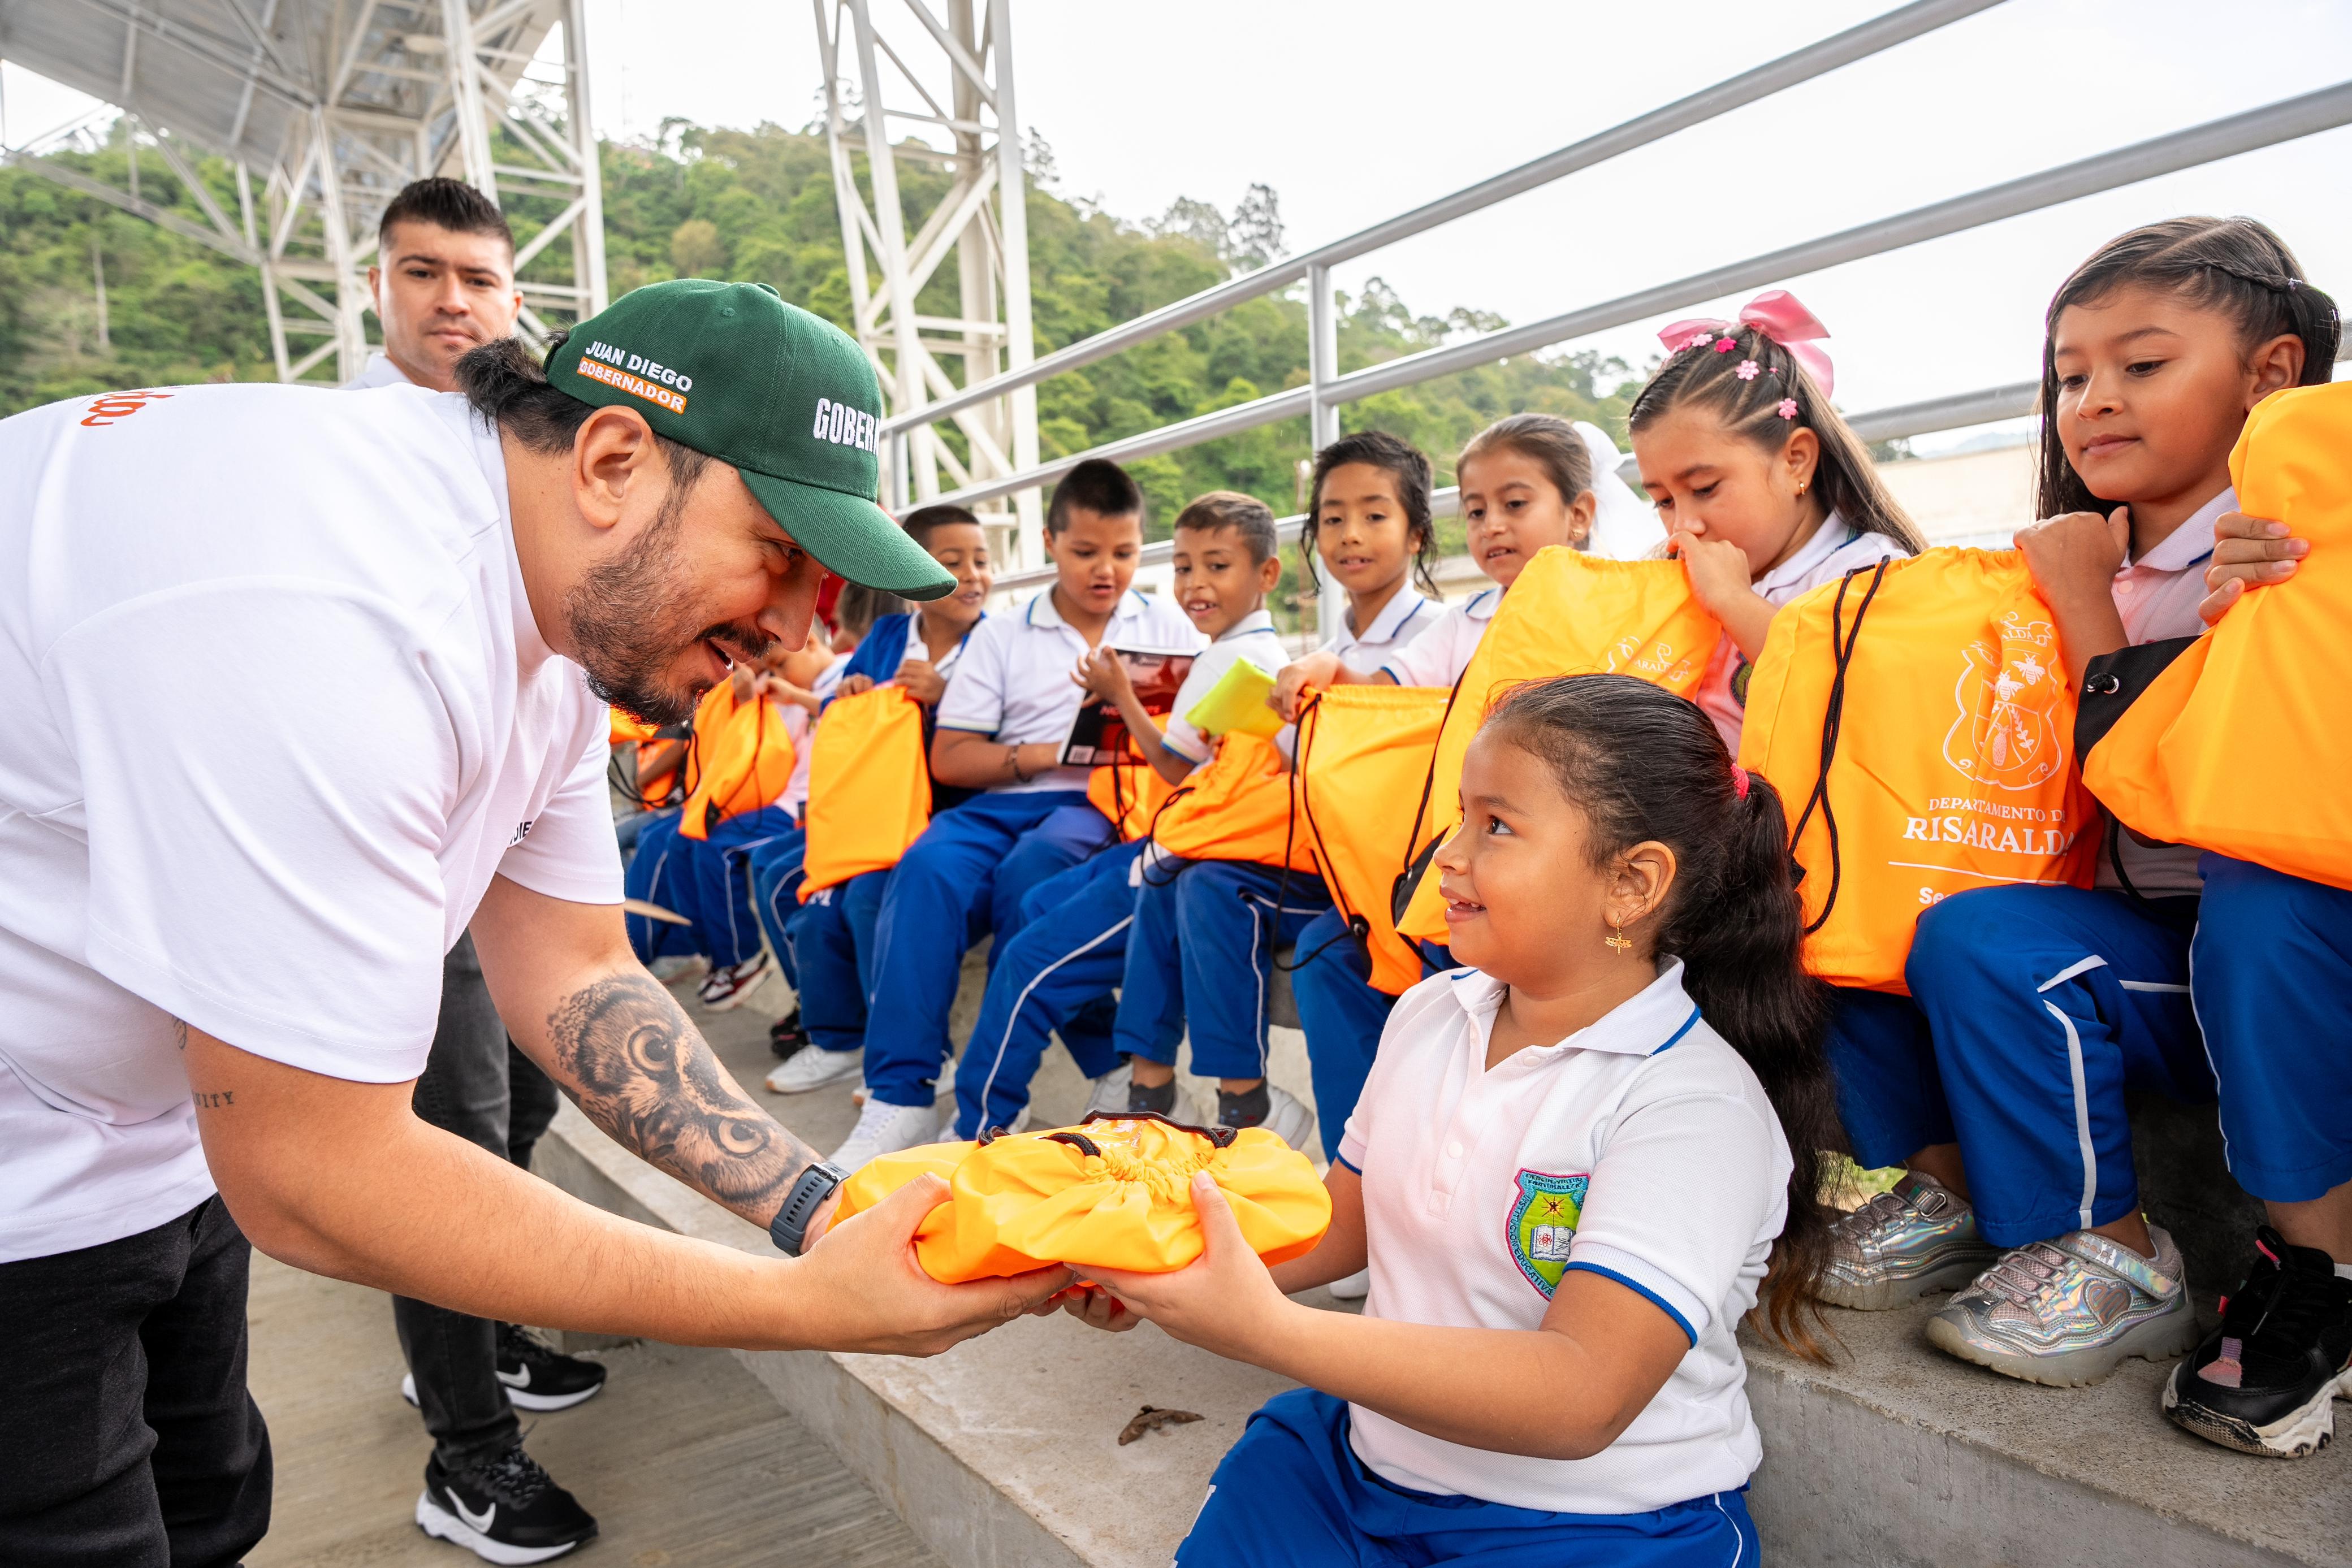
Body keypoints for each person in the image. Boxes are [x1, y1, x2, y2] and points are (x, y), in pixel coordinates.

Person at [0, 278, 1074, 1568]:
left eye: (830, 587)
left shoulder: (554, 600)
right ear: (614, 457)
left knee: (210, 1504)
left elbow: (576, 971)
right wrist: (803, 1304)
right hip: (21, 1169)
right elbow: (311, 1176)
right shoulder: (328, 609)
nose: (797, 630)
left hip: (143, 1126)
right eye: (778, 553)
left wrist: (823, 1210)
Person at [1065, 674, 1838, 1566]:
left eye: (1496, 825)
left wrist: (1269, 1331)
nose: (1448, 855)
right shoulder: (1432, 1012)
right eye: (1460, 816)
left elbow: (1580, 1394)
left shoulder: (1692, 1103)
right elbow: (1339, 1224)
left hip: (1596, 1526)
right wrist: (1159, 1267)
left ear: (1632, 882)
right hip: (1362, 1475)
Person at [1821, 219, 2352, 1435]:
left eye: (2142, 364)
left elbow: (2170, 777)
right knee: (1918, 914)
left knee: (2265, 902)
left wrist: (2088, 605)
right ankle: (2077, 1242)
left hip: (2293, 951)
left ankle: (2320, 1270)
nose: (2093, 400)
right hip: (2154, 950)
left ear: (2269, 374)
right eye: (2070, 376)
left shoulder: (2298, 551)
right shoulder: (2056, 569)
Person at [350, 175, 614, 1557]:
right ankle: (466, 1453)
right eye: (421, 272)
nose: (450, 299)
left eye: (476, 277)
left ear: (516, 299)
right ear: (378, 288)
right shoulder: (341, 450)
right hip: (401, 834)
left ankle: (480, 1323)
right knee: (445, 1137)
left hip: (510, 817)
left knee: (523, 1093)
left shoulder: (531, 438)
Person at [1269, 415, 1614, 1226]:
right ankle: (1364, 1188)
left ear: (1578, 514)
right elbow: (1379, 692)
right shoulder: (1466, 622)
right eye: (1478, 510)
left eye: (1514, 504)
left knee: (1457, 973)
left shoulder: (1611, 607)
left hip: (1561, 868)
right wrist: (1323, 664)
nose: (1492, 526)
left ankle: (1463, 1194)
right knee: (1325, 949)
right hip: (1455, 859)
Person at [829, 460, 1200, 1168]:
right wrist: (1041, 754)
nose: (1106, 571)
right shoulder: (1004, 632)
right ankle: (899, 1095)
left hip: (1102, 800)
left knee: (1033, 875)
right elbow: (951, 757)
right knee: (926, 868)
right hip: (1003, 796)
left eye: (1124, 553)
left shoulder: (1167, 625)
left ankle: (1002, 1089)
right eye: (1084, 551)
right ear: (1049, 542)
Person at [949, 491, 1294, 1144]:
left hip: (1191, 859)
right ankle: (1123, 1076)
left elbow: (1172, 763)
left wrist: (1120, 696)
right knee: (1036, 902)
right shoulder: (1248, 654)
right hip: (1178, 841)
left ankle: (981, 1126)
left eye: (1217, 566)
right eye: (1183, 567)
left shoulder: (1238, 660)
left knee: (1026, 960)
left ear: (1266, 574)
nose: (1195, 584)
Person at [769, 506, 993, 1089]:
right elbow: (842, 720)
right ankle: (839, 1038)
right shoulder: (890, 637)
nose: (971, 575)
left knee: (870, 897)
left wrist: (946, 699)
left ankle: (921, 1050)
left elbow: (1007, 734)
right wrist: (848, 693)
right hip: (876, 813)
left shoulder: (994, 642)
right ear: (914, 573)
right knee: (817, 900)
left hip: (947, 816)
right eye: (952, 562)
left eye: (981, 560)